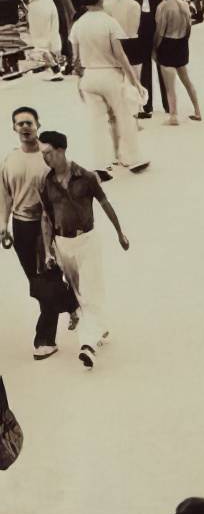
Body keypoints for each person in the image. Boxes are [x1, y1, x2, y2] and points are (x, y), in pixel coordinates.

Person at [38, 128, 127, 368]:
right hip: (63, 243)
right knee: (79, 292)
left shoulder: (86, 176)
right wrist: (48, 251)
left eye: (48, 153)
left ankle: (87, 344)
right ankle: (101, 326)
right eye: (42, 153)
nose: (45, 157)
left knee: (89, 290)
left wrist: (120, 232)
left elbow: (104, 202)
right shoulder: (46, 182)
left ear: (61, 150)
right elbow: (46, 217)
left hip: (87, 240)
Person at [68, 0, 148, 173]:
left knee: (96, 123)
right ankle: (132, 158)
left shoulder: (78, 25)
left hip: (89, 75)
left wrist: (80, 80)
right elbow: (120, 55)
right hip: (110, 74)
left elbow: (75, 59)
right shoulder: (109, 22)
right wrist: (135, 80)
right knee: (124, 116)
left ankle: (100, 164)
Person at [1, 105, 58, 359]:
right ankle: (74, 304)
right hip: (21, 226)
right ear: (14, 128)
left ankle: (45, 339)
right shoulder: (10, 159)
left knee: (45, 281)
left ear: (38, 125)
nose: (25, 127)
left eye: (29, 122)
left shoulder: (48, 158)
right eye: (20, 123)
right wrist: (3, 225)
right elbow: (5, 195)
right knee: (37, 283)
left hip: (47, 226)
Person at [129, 0, 170, 113]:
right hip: (141, 22)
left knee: (162, 61)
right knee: (144, 62)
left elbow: (168, 0)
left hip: (158, 20)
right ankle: (147, 104)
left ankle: (168, 103)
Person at [153, 0, 200, 121]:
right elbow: (189, 27)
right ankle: (197, 111)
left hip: (168, 44)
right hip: (181, 43)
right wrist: (185, 41)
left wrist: (154, 48)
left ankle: (173, 115)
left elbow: (160, 32)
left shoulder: (163, 6)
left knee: (170, 85)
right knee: (186, 80)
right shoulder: (183, 4)